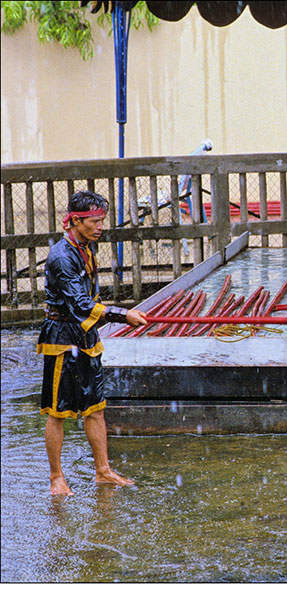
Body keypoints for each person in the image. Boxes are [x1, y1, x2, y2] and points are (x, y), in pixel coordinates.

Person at [37, 190, 147, 496]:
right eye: (94, 221)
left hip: (86, 336)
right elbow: (80, 305)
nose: (100, 227)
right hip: (61, 338)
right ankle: (56, 478)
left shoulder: (85, 247)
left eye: (102, 221)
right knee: (57, 412)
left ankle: (103, 471)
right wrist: (123, 315)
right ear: (74, 220)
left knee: (95, 408)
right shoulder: (61, 256)